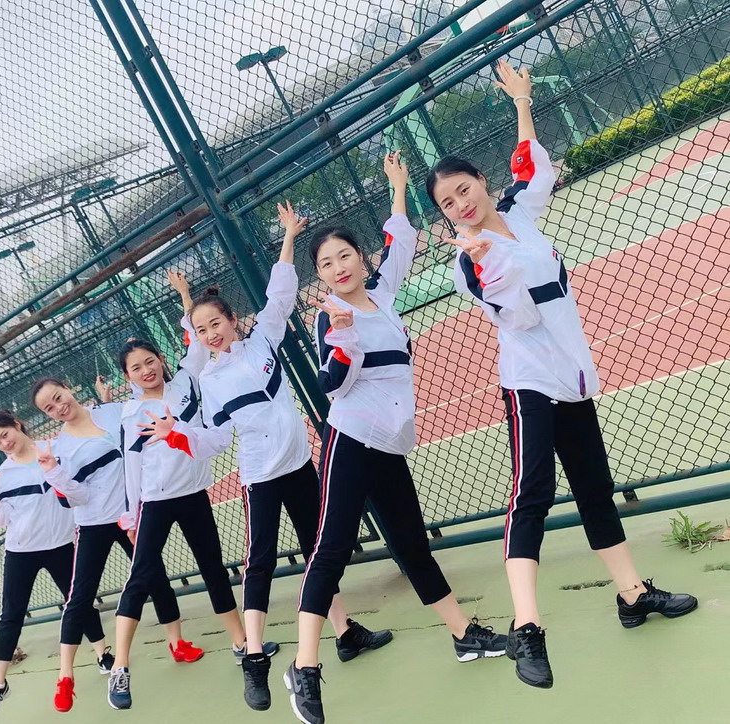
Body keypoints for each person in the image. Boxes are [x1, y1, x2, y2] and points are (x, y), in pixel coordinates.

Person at [425, 60, 698, 690]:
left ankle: (633, 595)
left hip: (571, 375)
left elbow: (534, 168)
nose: (461, 205)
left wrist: (522, 104)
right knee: (533, 495)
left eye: (463, 190)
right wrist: (490, 267)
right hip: (530, 383)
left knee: (595, 487)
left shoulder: (518, 211)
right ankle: (528, 628)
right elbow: (518, 319)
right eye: (447, 204)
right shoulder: (472, 263)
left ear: (481, 182)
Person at [276, 151, 506, 724]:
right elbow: (333, 386)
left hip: (388, 445)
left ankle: (464, 635)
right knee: (331, 549)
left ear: (361, 258)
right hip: (351, 441)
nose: (338, 268)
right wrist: (345, 339)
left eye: (344, 256)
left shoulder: (381, 294)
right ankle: (305, 667)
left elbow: (400, 242)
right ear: (319, 276)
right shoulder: (332, 317)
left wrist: (398, 187)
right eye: (326, 264)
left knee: (411, 543)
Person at [138, 203, 392, 713]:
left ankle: (344, 632)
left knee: (321, 551)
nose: (211, 334)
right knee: (260, 563)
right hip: (260, 478)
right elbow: (214, 441)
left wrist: (290, 236)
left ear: (233, 320)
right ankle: (254, 659)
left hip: (300, 466)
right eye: (201, 330)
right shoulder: (209, 381)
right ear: (196, 337)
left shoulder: (263, 342)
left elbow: (279, 293)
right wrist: (176, 434)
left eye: (216, 323)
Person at [110, 310, 276, 710]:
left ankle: (240, 642)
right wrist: (131, 515)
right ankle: (119, 667)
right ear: (128, 377)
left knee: (213, 569)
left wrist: (186, 303)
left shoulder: (186, 380)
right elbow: (132, 467)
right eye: (136, 368)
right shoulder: (131, 414)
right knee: (141, 576)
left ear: (161, 359)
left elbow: (196, 343)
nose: (146, 370)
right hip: (155, 502)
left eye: (150, 361)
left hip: (193, 494)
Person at [30, 374, 202, 713]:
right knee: (79, 597)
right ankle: (65, 678)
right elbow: (77, 497)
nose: (58, 407)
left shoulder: (112, 412)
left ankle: (177, 642)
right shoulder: (60, 448)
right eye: (49, 408)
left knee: (155, 577)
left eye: (58, 397)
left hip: (131, 516)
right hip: (93, 524)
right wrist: (53, 471)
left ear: (68, 388)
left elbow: (135, 449)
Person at [0, 410, 107, 718]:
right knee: (11, 616)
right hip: (21, 552)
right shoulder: (4, 475)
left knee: (80, 604)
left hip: (61, 545)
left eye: (5, 434)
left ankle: (103, 654)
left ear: (17, 425)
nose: (4, 444)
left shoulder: (55, 450)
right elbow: (1, 519)